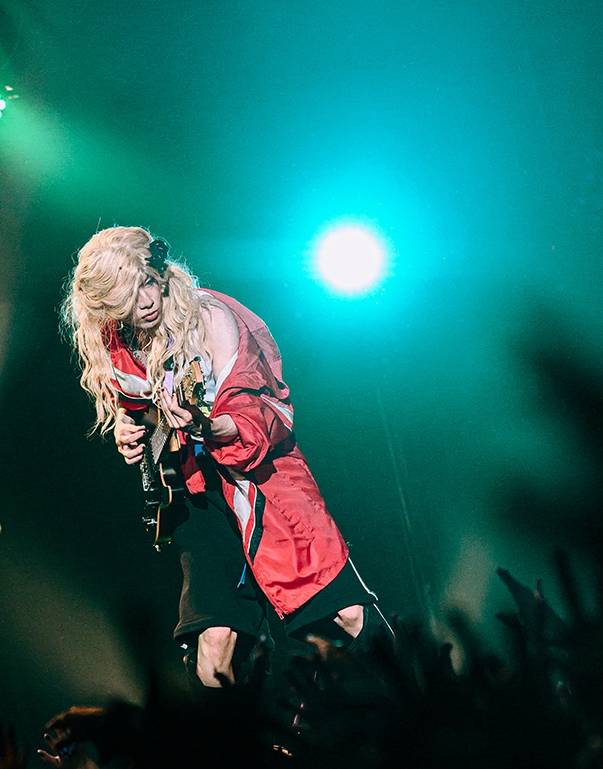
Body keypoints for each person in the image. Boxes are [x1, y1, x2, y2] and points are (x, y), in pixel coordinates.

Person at [61, 227, 379, 687]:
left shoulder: (210, 318)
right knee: (214, 648)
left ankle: (416, 698)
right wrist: (131, 432)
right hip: (196, 494)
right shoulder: (117, 343)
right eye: (127, 298)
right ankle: (233, 734)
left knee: (345, 615)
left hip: (263, 478)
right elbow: (140, 408)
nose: (145, 302)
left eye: (148, 282)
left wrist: (205, 425)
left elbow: (253, 415)